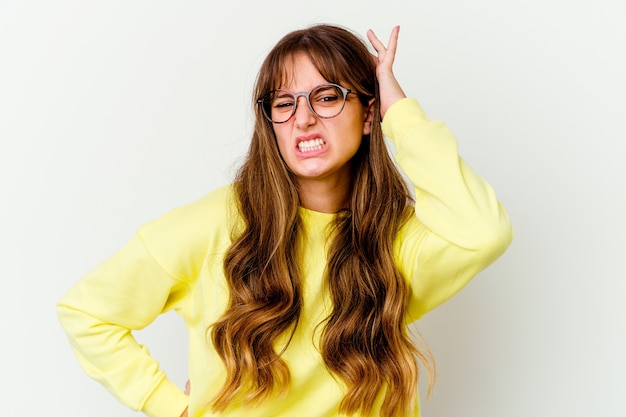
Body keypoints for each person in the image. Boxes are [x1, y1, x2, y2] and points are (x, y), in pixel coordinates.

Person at [58, 24, 513, 417]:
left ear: (369, 114)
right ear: (270, 122)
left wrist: (399, 110)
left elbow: (484, 231)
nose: (304, 120)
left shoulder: (395, 240)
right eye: (284, 104)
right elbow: (87, 312)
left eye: (327, 97)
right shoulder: (216, 224)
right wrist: (170, 406)